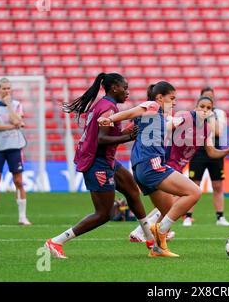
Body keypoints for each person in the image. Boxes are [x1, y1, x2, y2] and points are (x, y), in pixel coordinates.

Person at [44, 73, 154, 259]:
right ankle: (56, 241)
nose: (127, 91)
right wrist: (128, 136)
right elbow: (101, 139)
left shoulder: (104, 105)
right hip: (97, 161)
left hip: (105, 159)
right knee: (104, 214)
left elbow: (102, 133)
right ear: (114, 88)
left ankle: (150, 239)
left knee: (132, 190)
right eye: (124, 88)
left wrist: (124, 131)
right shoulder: (108, 109)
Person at [98, 81, 202, 258]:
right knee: (194, 192)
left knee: (168, 208)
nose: (174, 102)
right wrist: (110, 119)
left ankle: (158, 248)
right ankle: (161, 231)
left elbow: (156, 122)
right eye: (172, 98)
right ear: (160, 97)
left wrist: (178, 121)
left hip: (141, 167)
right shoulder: (152, 105)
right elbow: (132, 111)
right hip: (152, 165)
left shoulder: (158, 115)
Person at [128, 96, 229, 242]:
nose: (204, 110)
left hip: (177, 167)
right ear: (196, 107)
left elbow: (211, 152)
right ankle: (149, 230)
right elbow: (166, 126)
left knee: (170, 203)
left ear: (211, 112)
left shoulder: (206, 129)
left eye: (208, 108)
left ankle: (150, 231)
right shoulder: (185, 118)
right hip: (166, 163)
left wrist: (227, 151)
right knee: (175, 201)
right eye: (201, 106)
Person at [0, 77, 30, 226]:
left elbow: (17, 120)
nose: (6, 91)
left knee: (18, 181)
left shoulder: (16, 105)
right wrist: (14, 126)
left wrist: (9, 105)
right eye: (4, 88)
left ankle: (22, 217)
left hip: (14, 146)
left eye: (8, 88)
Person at [185, 87, 229, 227]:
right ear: (200, 98)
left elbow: (218, 132)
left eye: (210, 97)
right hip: (198, 151)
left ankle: (220, 217)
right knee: (194, 184)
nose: (208, 100)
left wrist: (209, 117)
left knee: (218, 185)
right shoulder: (193, 115)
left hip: (215, 151)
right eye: (205, 97)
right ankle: (188, 217)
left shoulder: (218, 113)